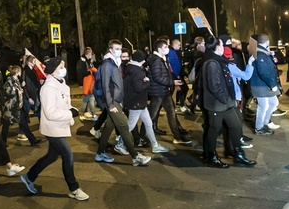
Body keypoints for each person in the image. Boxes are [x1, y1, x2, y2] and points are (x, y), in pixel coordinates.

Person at [20, 58, 89, 200]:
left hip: (60, 126)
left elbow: (65, 103)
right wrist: (70, 113)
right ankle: (74, 188)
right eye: (61, 66)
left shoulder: (62, 84)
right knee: (67, 155)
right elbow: (50, 113)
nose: (64, 68)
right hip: (52, 128)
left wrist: (71, 110)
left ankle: (29, 176)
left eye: (64, 65)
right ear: (52, 71)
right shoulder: (48, 88)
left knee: (51, 156)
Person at [198, 37, 254, 168]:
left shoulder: (220, 60)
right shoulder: (212, 63)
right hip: (217, 104)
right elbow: (214, 85)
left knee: (235, 125)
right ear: (217, 47)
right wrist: (225, 98)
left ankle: (238, 154)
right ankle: (211, 156)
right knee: (213, 129)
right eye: (222, 45)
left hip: (227, 101)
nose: (224, 47)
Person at [95, 39, 152, 167]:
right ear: (110, 50)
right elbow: (105, 86)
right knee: (124, 126)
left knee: (109, 127)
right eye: (116, 49)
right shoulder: (107, 65)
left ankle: (100, 153)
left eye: (120, 49)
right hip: (112, 101)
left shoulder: (116, 63)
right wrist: (110, 105)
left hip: (116, 100)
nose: (119, 51)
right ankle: (135, 156)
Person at [148, 38, 193, 145]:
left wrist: (173, 82)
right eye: (165, 47)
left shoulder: (163, 58)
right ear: (159, 49)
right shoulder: (156, 60)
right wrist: (172, 83)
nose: (168, 48)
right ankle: (140, 137)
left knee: (171, 113)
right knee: (151, 116)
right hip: (158, 92)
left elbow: (166, 74)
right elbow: (157, 77)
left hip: (164, 91)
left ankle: (177, 137)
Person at [250, 33, 282, 135]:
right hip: (261, 85)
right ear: (267, 42)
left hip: (263, 85)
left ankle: (264, 122)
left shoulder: (262, 52)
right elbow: (263, 72)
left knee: (273, 103)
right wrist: (272, 84)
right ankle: (259, 128)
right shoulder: (260, 54)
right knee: (263, 106)